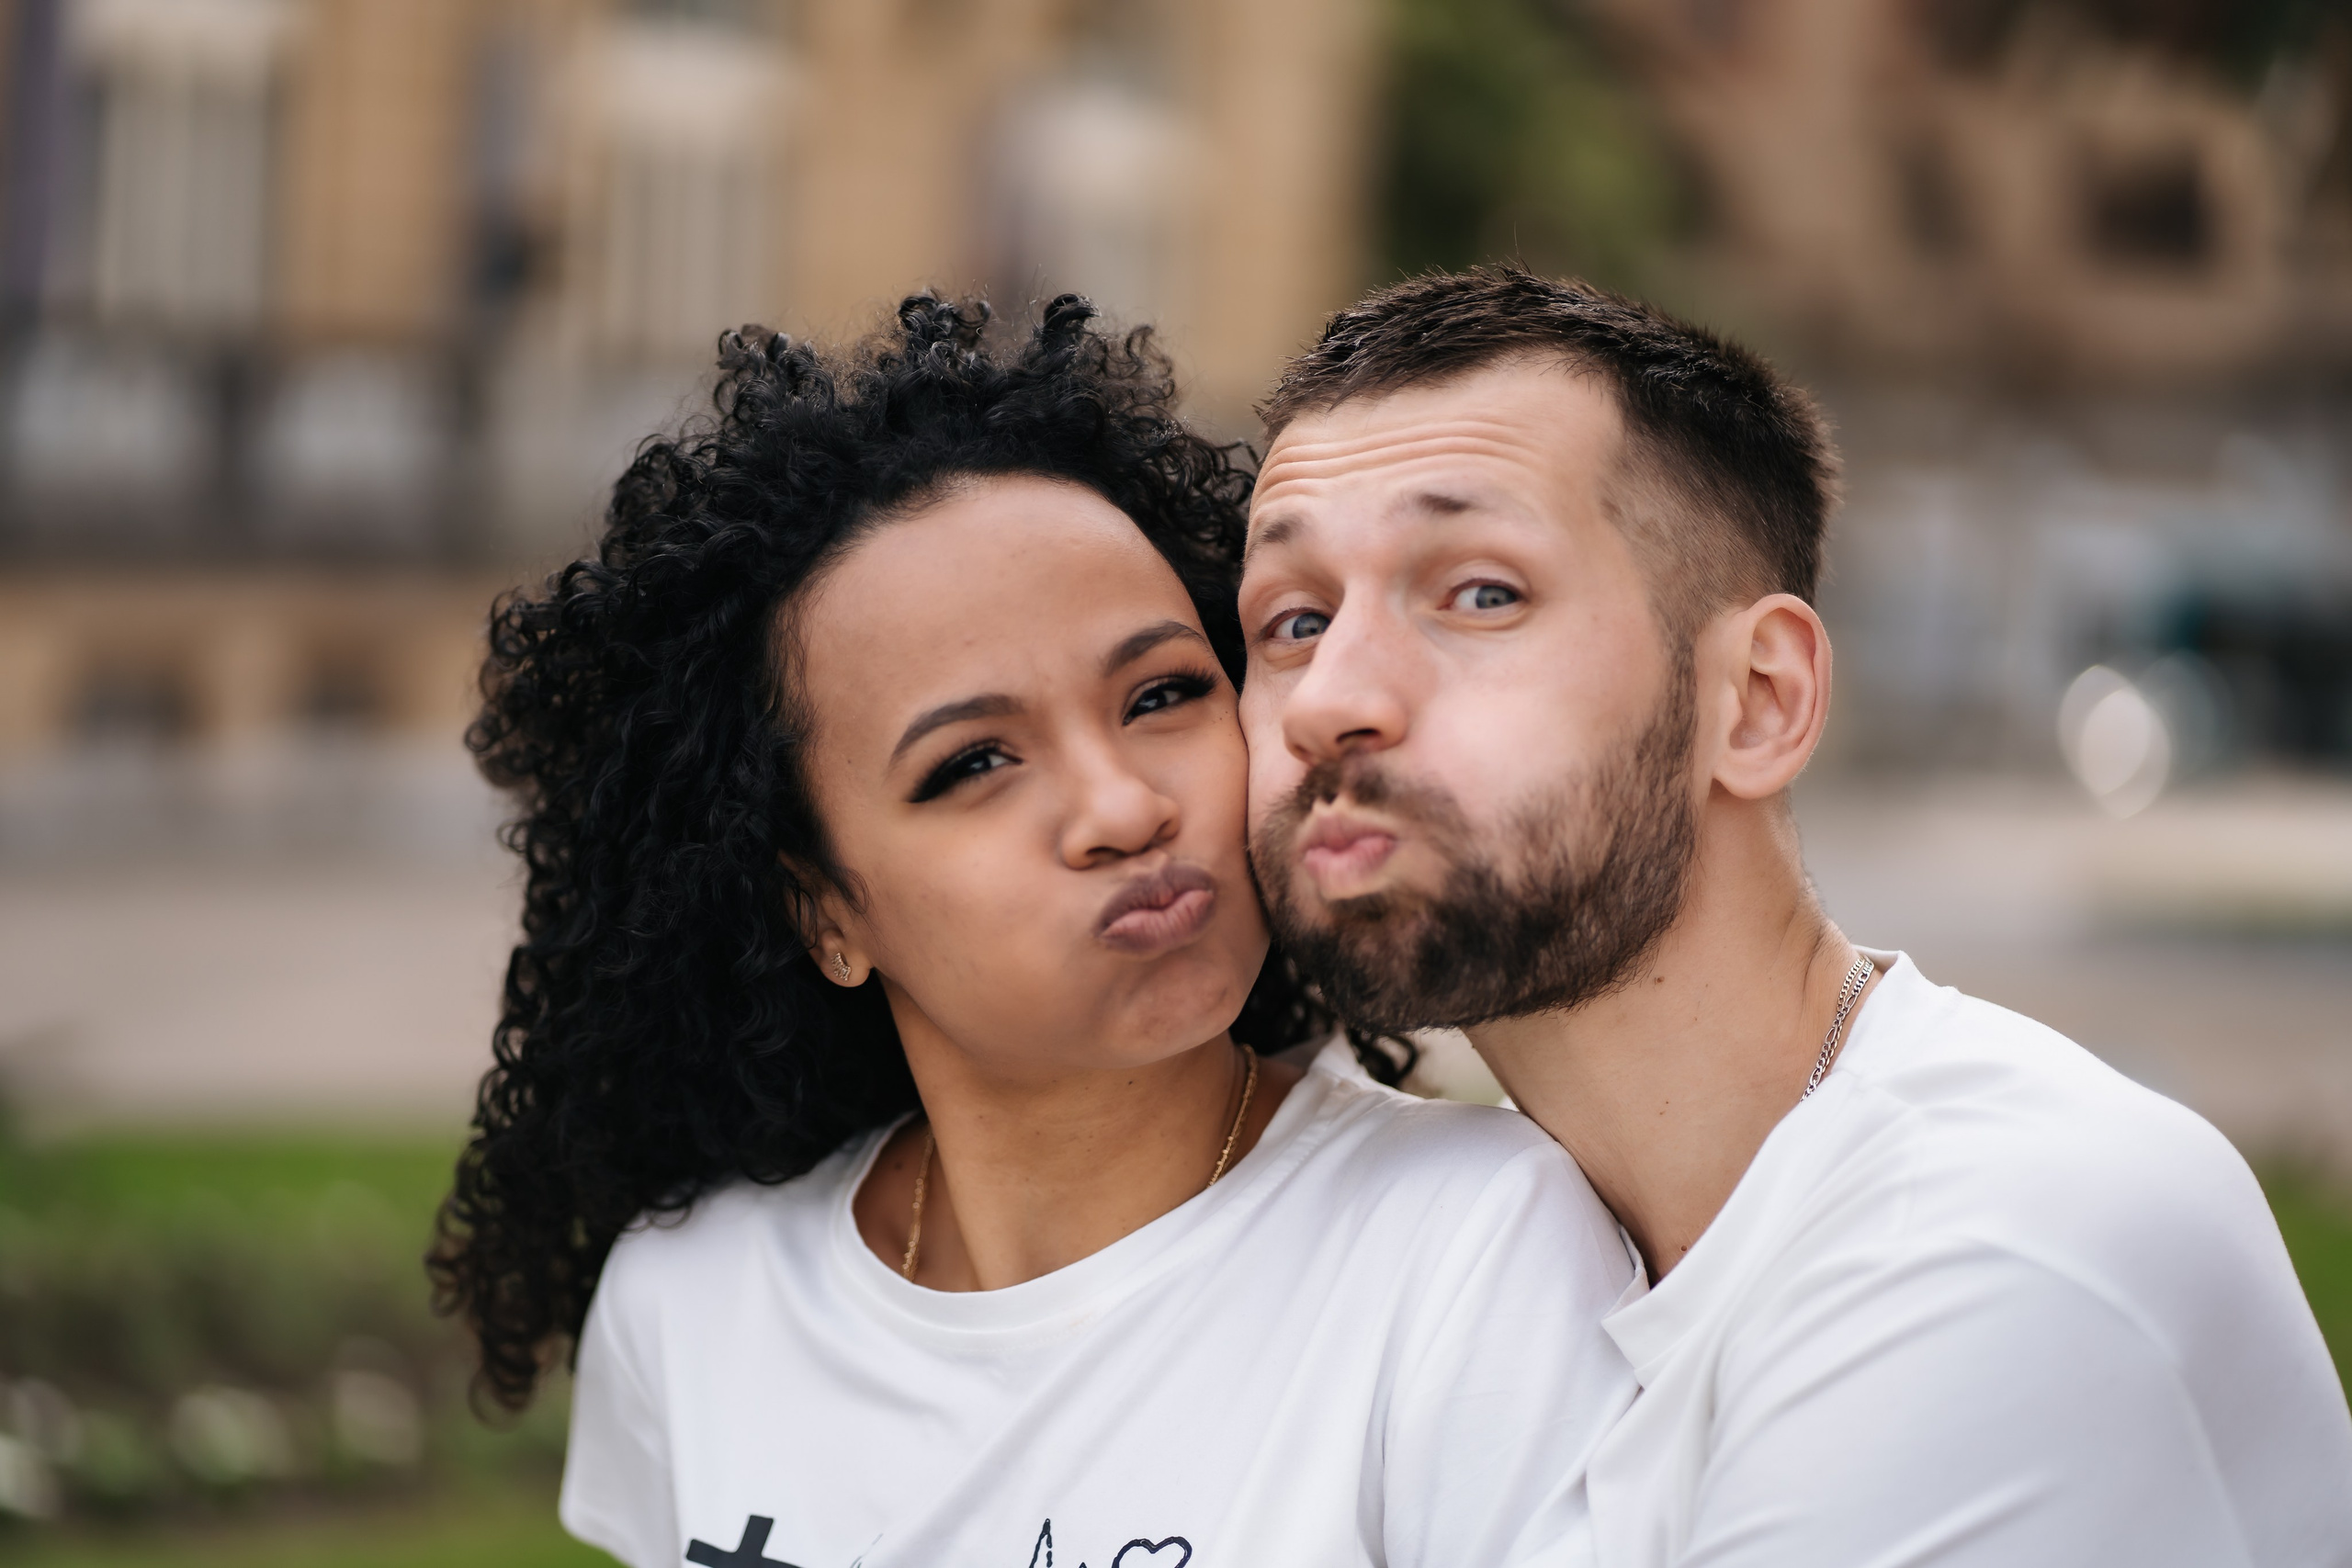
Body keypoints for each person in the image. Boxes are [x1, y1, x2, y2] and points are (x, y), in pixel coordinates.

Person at [430, 294, 1636, 1568]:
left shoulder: (1472, 1253)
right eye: (975, 763)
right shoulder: (696, 1303)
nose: (1123, 808)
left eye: (1164, 693)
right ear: (828, 910)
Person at [1238, 266, 2352, 1566]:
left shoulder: (1998, 1239)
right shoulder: (1500, 1254)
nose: (1329, 698)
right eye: (1294, 620)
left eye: (1481, 593)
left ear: (1758, 700)